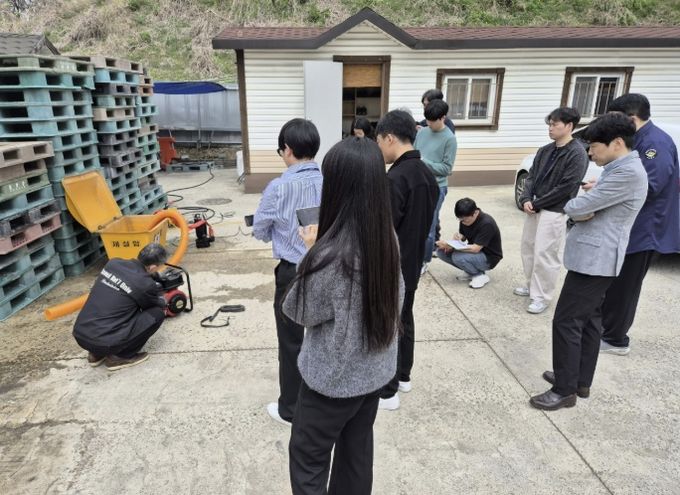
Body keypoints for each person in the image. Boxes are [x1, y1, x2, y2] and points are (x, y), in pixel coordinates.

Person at [283, 137, 403, 495]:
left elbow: (299, 311)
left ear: (337, 185)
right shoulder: (386, 237)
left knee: (308, 458)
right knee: (356, 455)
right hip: (374, 372)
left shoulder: (330, 254)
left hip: (332, 382)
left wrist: (311, 252)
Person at [530, 112, 648, 411]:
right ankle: (579, 379)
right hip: (594, 258)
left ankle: (564, 390)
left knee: (566, 321)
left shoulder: (626, 173)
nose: (590, 153)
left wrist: (579, 206)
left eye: (594, 146)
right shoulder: (618, 168)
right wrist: (587, 205)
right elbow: (587, 207)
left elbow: (574, 206)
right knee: (589, 320)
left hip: (596, 260)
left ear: (617, 143)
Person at [596, 94, 680, 355]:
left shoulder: (655, 143)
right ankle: (605, 329)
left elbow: (649, 186)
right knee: (614, 283)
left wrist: (608, 193)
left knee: (625, 286)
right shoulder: (639, 139)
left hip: (644, 228)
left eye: (615, 119)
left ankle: (615, 339)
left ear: (631, 118)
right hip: (629, 225)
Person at [252, 118, 323, 425]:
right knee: (323, 336)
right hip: (327, 267)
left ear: (288, 149)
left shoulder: (278, 187)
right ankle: (323, 399)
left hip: (292, 271)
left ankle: (291, 409)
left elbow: (259, 229)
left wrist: (278, 233)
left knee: (291, 340)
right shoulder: (330, 181)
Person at [375, 109, 438, 410]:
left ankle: (387, 392)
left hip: (393, 264)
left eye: (379, 142)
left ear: (390, 138)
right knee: (404, 319)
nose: (379, 149)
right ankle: (403, 376)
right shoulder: (426, 174)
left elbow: (384, 230)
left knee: (390, 324)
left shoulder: (395, 179)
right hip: (413, 263)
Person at [515, 107, 589, 314]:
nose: (551, 128)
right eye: (550, 124)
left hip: (554, 210)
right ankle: (531, 285)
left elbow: (567, 187)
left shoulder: (577, 153)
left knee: (545, 253)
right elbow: (531, 177)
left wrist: (537, 203)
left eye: (555, 124)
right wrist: (526, 198)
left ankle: (542, 296)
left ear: (569, 126)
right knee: (528, 247)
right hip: (535, 206)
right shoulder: (545, 150)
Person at [72, 243, 168, 371]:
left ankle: (96, 354)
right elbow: (152, 305)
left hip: (81, 336)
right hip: (104, 343)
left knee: (117, 305)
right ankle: (120, 357)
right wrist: (163, 299)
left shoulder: (113, 263)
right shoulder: (145, 284)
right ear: (153, 267)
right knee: (157, 314)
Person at [414, 99, 458, 273]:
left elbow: (447, 169)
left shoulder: (450, 139)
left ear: (443, 118)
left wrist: (425, 162)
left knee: (429, 226)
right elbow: (414, 154)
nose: (429, 124)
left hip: (436, 187)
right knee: (414, 223)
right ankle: (414, 255)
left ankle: (424, 260)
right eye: (427, 120)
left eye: (433, 121)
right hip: (418, 183)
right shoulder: (422, 132)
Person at [434, 198, 503, 289]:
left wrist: (451, 246)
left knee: (457, 257)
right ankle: (470, 271)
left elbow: (475, 249)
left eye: (464, 220)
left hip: (488, 257)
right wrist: (460, 237)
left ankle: (479, 275)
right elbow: (464, 237)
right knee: (441, 252)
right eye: (460, 219)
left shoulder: (487, 223)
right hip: (475, 253)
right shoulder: (464, 219)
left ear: (475, 213)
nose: (462, 222)